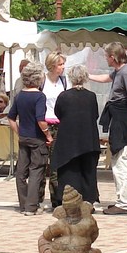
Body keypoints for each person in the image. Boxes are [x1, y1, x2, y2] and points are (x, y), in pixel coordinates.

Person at [90, 42, 127, 214]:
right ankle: (125, 200)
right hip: (119, 118)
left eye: (106, 56)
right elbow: (107, 78)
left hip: (122, 119)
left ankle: (124, 203)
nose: (105, 59)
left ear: (113, 57)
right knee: (118, 159)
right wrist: (88, 76)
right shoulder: (120, 72)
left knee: (120, 160)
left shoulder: (126, 73)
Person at [50, 65, 102, 205]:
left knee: (68, 170)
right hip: (88, 138)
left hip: (68, 139)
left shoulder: (64, 96)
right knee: (88, 171)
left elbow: (58, 113)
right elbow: (95, 114)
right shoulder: (91, 96)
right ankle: (89, 198)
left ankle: (67, 198)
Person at [8, 62, 50, 215]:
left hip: (24, 138)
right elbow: (40, 119)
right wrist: (48, 134)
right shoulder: (39, 96)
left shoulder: (20, 96)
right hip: (37, 138)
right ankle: (31, 207)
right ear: (39, 78)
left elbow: (11, 118)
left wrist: (19, 132)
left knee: (21, 172)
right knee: (36, 171)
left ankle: (23, 204)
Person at [41, 51, 69, 211]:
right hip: (44, 124)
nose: (63, 67)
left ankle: (56, 199)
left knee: (56, 165)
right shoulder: (42, 81)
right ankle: (38, 197)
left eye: (63, 64)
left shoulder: (63, 81)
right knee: (41, 163)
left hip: (60, 124)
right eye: (60, 64)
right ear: (52, 66)